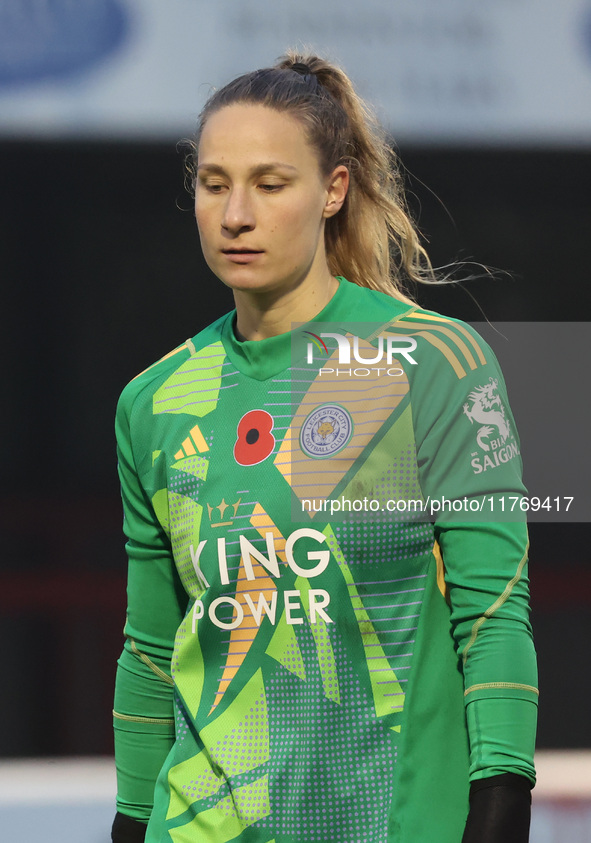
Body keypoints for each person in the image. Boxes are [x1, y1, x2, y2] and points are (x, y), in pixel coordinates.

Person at [111, 52, 538, 843]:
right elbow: (147, 650)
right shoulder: (153, 400)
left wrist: (501, 807)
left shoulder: (426, 363)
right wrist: (130, 823)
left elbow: (492, 611)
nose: (236, 214)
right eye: (213, 184)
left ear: (332, 190)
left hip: (393, 822)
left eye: (270, 185)